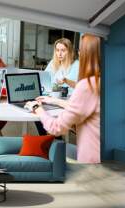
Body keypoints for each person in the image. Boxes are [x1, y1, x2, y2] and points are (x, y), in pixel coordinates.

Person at [25, 33, 101, 164]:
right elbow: (46, 82)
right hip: (59, 101)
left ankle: (53, 149)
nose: (60, 53)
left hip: (69, 103)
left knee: (46, 119)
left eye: (63, 50)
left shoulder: (80, 71)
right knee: (41, 119)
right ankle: (50, 146)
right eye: (57, 50)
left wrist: (38, 108)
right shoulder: (54, 65)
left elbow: (78, 91)